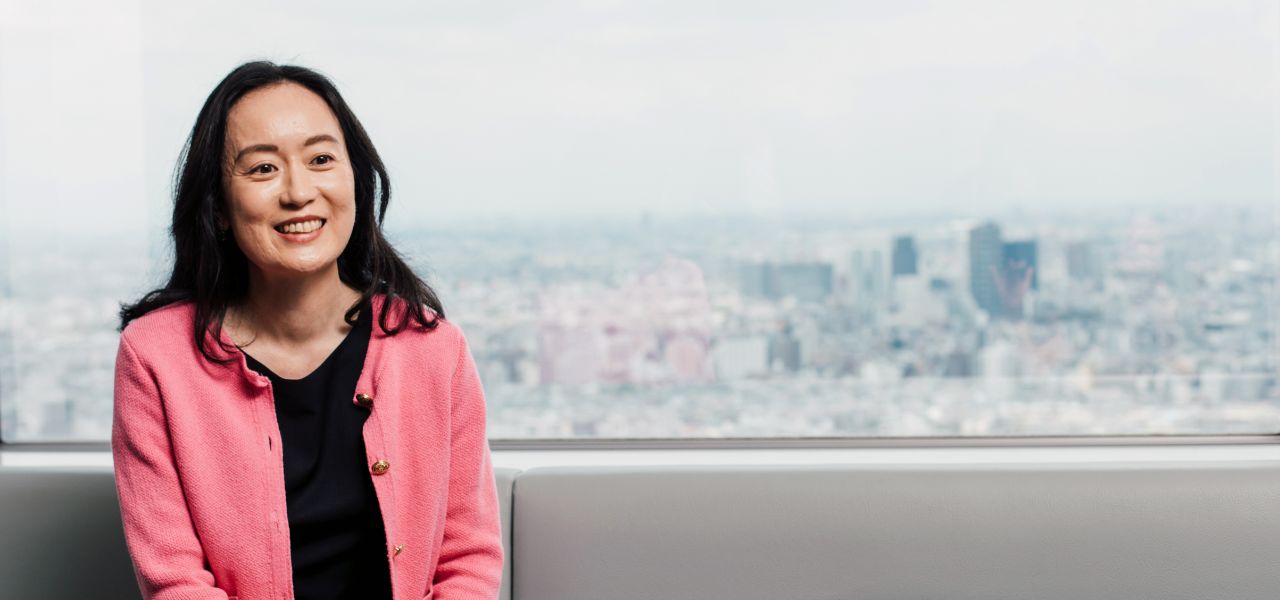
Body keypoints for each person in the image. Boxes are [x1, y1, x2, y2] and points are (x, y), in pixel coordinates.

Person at [112, 61, 504, 600]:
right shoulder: (154, 357)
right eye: (262, 169)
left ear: (355, 182)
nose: (299, 192)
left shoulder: (435, 350)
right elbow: (175, 579)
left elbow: (467, 561)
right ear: (220, 208)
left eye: (321, 159)